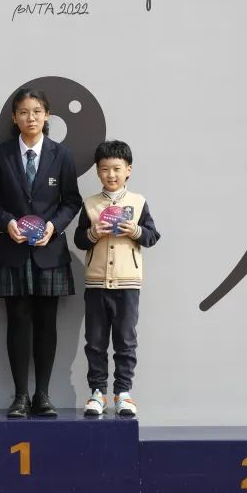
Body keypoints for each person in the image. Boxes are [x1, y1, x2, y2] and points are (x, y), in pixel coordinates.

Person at [0, 87, 82, 418]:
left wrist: (53, 226)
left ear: (47, 115)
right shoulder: (0, 155)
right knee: (17, 322)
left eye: (37, 111)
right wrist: (6, 222)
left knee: (46, 323)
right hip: (11, 249)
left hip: (49, 251)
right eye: (24, 112)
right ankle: (20, 396)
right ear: (14, 117)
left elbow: (72, 201)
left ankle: (43, 395)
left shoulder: (61, 154)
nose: (31, 118)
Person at [74, 140, 160, 417]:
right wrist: (93, 233)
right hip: (96, 284)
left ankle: (123, 393)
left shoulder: (138, 202)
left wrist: (135, 231)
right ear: (97, 171)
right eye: (104, 169)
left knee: (125, 341)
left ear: (128, 170)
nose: (110, 174)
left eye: (116, 169)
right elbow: (79, 239)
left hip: (127, 284)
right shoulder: (90, 204)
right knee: (95, 342)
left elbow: (152, 236)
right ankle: (97, 393)